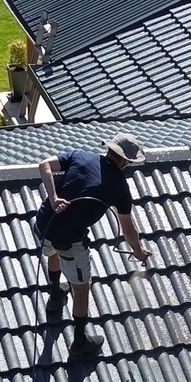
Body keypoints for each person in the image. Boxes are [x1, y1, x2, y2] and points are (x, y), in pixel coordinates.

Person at [34, 133, 150, 355]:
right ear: (125, 161)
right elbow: (127, 228)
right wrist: (138, 251)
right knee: (82, 287)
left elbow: (44, 165)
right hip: (68, 240)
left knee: (52, 251)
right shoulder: (120, 187)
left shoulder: (81, 155)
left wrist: (53, 198)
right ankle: (79, 342)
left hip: (43, 225)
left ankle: (56, 294)